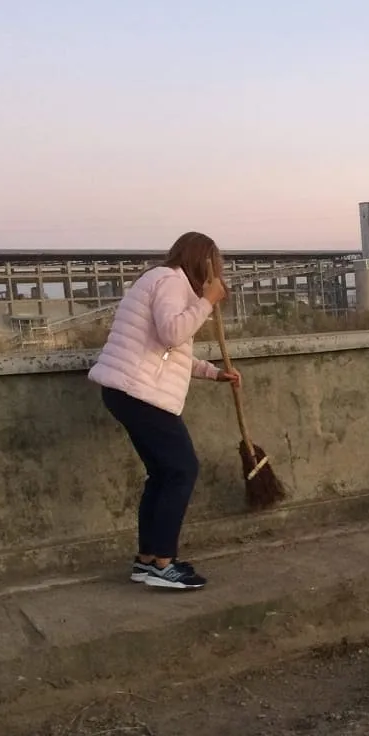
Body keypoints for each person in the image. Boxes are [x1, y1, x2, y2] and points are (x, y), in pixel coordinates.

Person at [87, 232, 241, 590]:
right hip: (140, 393)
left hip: (128, 391)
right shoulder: (170, 282)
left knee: (162, 475)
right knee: (182, 470)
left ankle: (147, 560)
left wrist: (214, 373)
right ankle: (163, 564)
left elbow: (171, 352)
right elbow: (173, 333)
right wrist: (207, 301)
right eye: (215, 264)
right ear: (203, 261)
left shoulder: (161, 280)